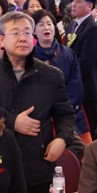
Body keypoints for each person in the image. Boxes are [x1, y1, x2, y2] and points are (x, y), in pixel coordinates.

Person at [0, 11, 77, 193]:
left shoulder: (51, 75)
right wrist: (11, 121)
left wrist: (62, 139)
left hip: (38, 165)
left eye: (27, 32)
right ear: (1, 40)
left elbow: (65, 114)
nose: (22, 38)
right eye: (15, 33)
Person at [32, 9, 89, 138]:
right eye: (41, 24)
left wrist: (64, 109)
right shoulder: (30, 57)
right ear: (34, 31)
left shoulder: (68, 53)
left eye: (49, 24)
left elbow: (76, 85)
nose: (46, 27)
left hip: (69, 112)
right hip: (40, 116)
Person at [67, 0, 97, 136]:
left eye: (78, 1)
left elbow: (86, 64)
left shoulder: (92, 28)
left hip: (88, 89)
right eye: (73, 0)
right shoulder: (74, 25)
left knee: (92, 131)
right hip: (77, 87)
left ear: (90, 6)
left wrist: (69, 77)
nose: (73, 4)